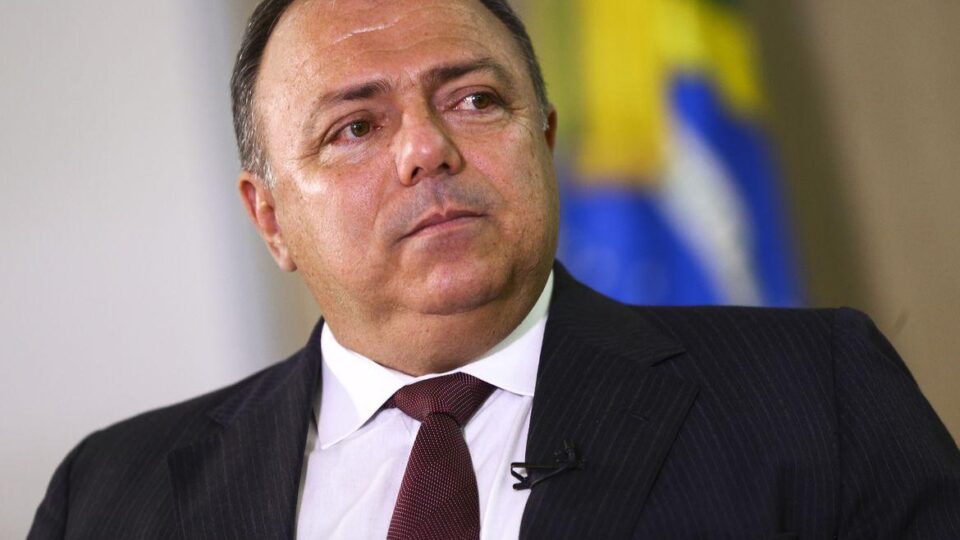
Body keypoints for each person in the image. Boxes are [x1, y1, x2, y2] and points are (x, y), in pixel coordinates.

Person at [29, 0, 960, 538]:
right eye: (356, 127)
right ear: (271, 219)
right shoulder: (110, 498)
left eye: (474, 100)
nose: (426, 150)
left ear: (543, 141)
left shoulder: (813, 393)